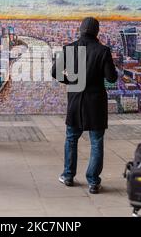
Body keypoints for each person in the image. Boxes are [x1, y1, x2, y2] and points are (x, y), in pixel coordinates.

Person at [52, 17, 117, 194]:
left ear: (80, 30)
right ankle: (93, 181)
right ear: (97, 31)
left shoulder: (70, 49)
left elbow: (54, 72)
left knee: (71, 138)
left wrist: (70, 81)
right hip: (96, 103)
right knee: (96, 142)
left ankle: (68, 175)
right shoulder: (103, 50)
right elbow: (112, 78)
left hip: (75, 101)